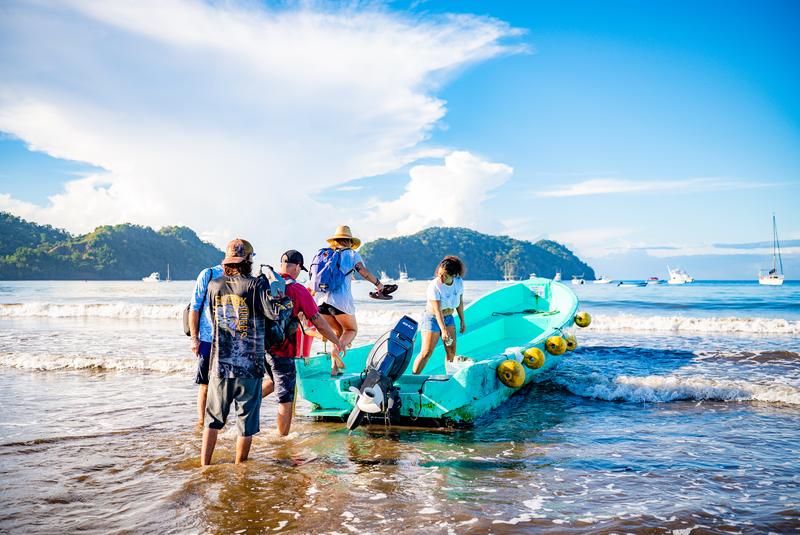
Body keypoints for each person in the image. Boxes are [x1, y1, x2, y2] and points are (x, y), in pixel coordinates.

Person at [201, 238, 270, 466]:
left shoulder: (214, 285)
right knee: (245, 424)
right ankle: (240, 469)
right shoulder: (256, 285)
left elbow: (214, 317)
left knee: (212, 421)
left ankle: (204, 467)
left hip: (220, 364)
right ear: (248, 259)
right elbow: (273, 313)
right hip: (250, 366)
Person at [262, 250, 347, 435]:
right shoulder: (298, 290)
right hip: (283, 351)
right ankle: (282, 440)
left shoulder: (262, 284)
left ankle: (243, 407)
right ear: (298, 266)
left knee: (273, 382)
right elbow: (318, 322)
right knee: (285, 398)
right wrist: (337, 342)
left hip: (260, 347)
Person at [313, 225, 383, 376]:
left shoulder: (326, 255)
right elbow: (363, 272)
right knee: (351, 330)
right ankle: (337, 351)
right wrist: (378, 284)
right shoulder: (352, 254)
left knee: (336, 331)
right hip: (340, 302)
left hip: (321, 302)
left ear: (335, 241)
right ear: (350, 242)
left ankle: (334, 369)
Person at [412, 256, 466, 374]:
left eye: (445, 275)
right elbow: (437, 310)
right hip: (432, 319)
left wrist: (462, 320)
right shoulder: (434, 286)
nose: (441, 278)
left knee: (451, 350)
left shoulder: (458, 283)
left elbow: (459, 302)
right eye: (439, 274)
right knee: (426, 352)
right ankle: (414, 377)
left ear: (453, 275)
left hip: (448, 318)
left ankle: (449, 377)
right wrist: (444, 330)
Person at [188, 263, 224, 425]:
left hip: (231, 341)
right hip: (208, 338)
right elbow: (194, 307)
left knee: (225, 385)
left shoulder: (244, 277)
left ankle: (218, 423)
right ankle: (202, 423)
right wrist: (194, 338)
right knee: (205, 384)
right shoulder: (209, 274)